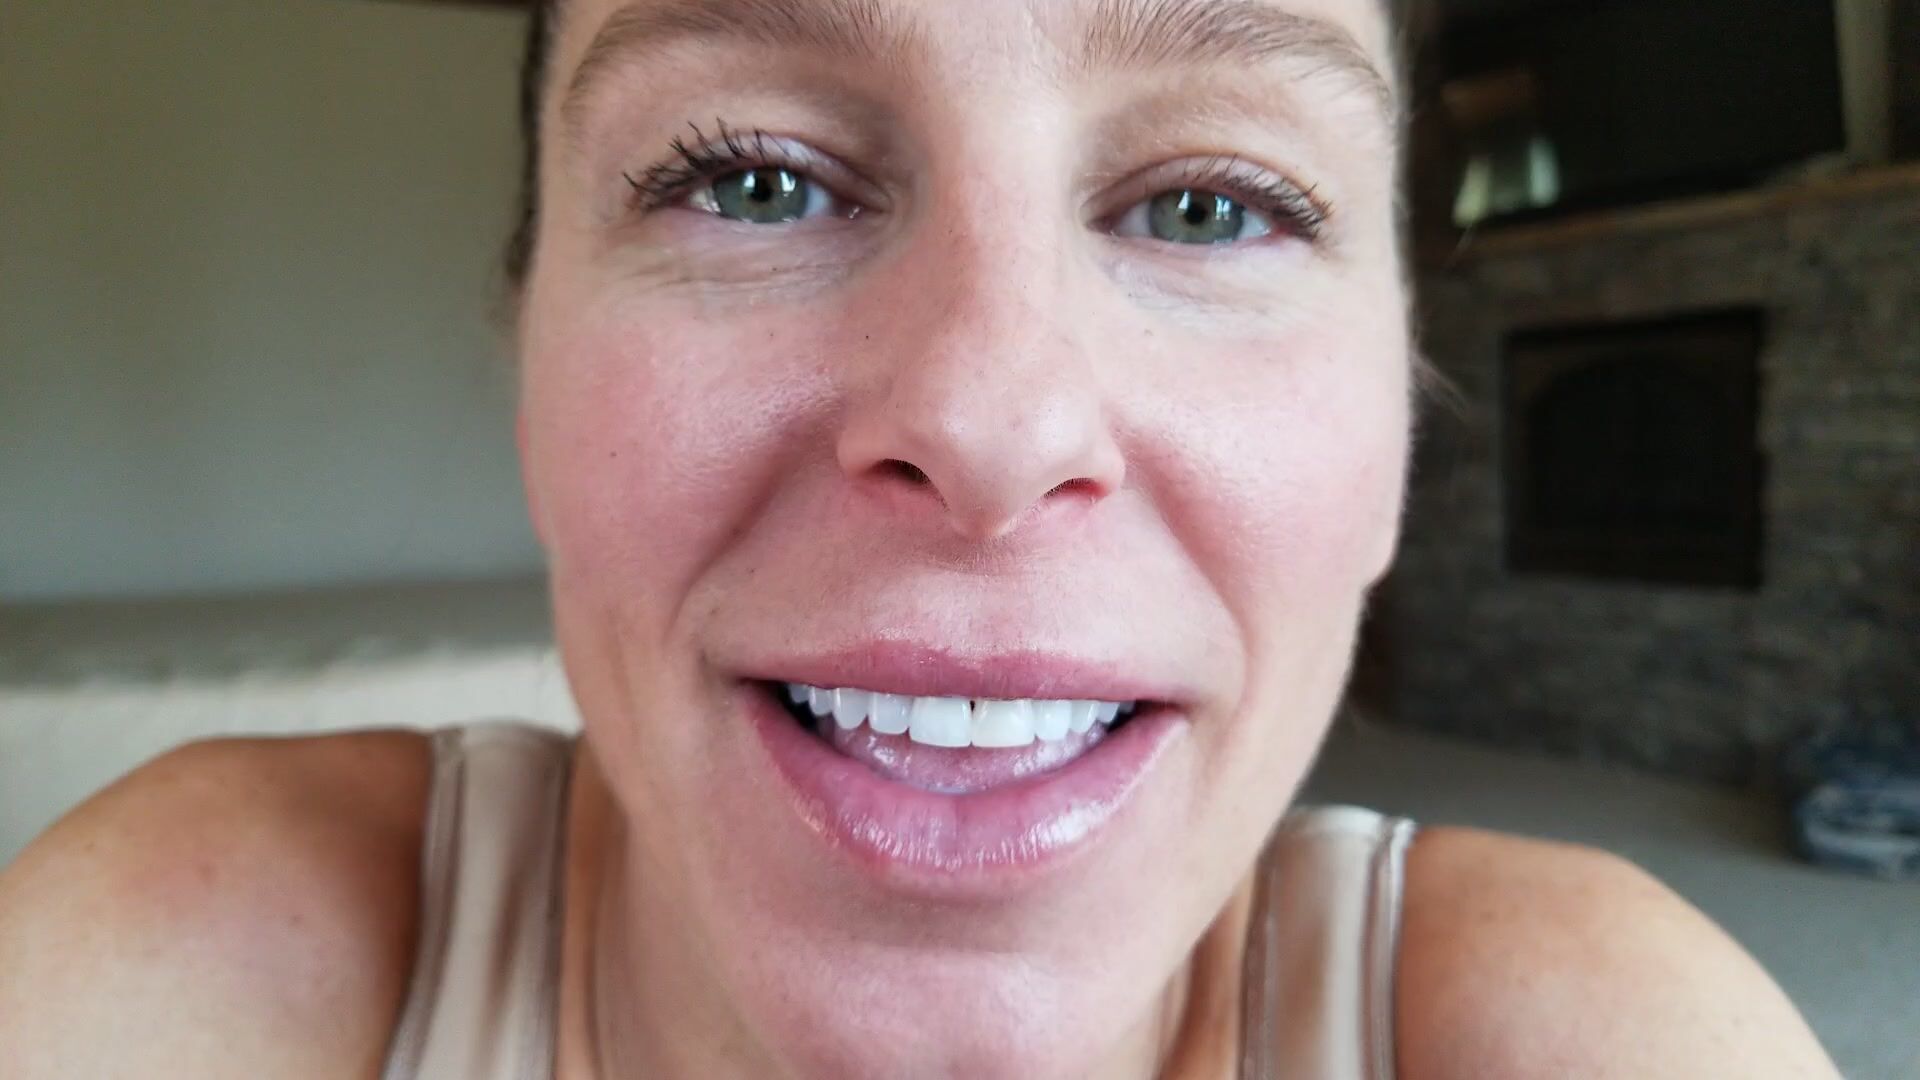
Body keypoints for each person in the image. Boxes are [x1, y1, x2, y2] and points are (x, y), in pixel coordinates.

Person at [0, 1, 1842, 1077]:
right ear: (528, 374)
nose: (993, 422)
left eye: (1211, 205)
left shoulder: (1581, 1026)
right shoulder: (211, 952)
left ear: (1394, 434)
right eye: (751, 179)